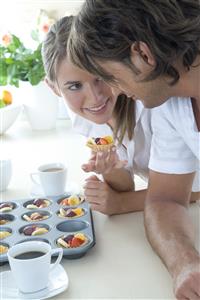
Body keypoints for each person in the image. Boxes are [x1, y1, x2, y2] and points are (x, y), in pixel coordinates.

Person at [43, 15, 200, 299]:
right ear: (54, 88)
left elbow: (193, 189)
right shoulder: (88, 115)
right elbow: (130, 185)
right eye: (74, 86)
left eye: (101, 78)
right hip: (169, 217)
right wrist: (110, 169)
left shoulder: (155, 102)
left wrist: (120, 203)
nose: (95, 96)